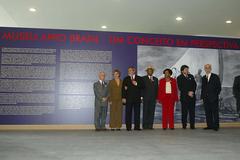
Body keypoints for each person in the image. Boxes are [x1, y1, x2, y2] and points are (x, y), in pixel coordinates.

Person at [122, 66, 144, 131]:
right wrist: (123, 97)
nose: (129, 72)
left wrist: (136, 84)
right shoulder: (126, 79)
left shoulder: (139, 78)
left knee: (137, 113)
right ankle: (128, 127)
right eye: (128, 71)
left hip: (137, 98)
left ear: (134, 71)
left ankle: (137, 127)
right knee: (128, 113)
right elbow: (123, 89)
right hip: (128, 99)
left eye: (130, 70)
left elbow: (143, 87)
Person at [201, 64, 221, 131]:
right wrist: (203, 97)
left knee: (215, 112)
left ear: (210, 69)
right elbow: (203, 88)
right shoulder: (203, 77)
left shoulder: (215, 76)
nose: (207, 69)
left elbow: (219, 88)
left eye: (208, 68)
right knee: (208, 112)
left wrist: (215, 96)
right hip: (206, 99)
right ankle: (209, 125)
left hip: (213, 98)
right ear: (204, 69)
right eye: (206, 68)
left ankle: (216, 126)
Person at [177, 65, 197, 129]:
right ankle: (184, 125)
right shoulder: (179, 77)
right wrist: (188, 92)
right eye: (186, 69)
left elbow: (194, 85)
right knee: (184, 112)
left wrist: (192, 91)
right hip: (184, 98)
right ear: (182, 71)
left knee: (192, 112)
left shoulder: (191, 76)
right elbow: (181, 87)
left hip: (192, 97)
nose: (187, 70)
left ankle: (192, 125)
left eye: (187, 69)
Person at [142, 65, 158, 130]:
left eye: (151, 70)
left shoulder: (156, 79)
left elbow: (157, 89)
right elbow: (142, 89)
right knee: (145, 112)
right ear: (147, 72)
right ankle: (145, 126)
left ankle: (150, 125)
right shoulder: (143, 78)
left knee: (152, 112)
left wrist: (156, 98)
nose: (150, 71)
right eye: (149, 70)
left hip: (153, 98)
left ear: (153, 72)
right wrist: (141, 97)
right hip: (145, 98)